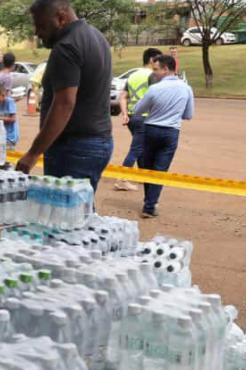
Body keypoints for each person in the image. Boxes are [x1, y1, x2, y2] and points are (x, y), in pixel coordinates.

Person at [15, 0, 114, 194]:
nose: (37, 32)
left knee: (63, 215)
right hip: (99, 141)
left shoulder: (65, 47)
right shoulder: (97, 37)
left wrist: (33, 154)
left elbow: (64, 104)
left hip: (73, 148)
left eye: (41, 25)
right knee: (79, 212)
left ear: (61, 18)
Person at [133, 54, 194, 218]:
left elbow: (138, 110)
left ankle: (149, 202)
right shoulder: (186, 88)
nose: (154, 73)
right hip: (171, 132)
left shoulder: (154, 89)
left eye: (156, 69)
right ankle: (150, 205)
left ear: (166, 69)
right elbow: (188, 115)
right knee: (160, 170)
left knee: (147, 168)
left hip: (151, 129)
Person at [115, 47, 161, 192]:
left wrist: (125, 114)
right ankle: (122, 179)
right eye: (158, 60)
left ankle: (142, 175)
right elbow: (157, 97)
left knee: (140, 146)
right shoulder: (153, 76)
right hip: (145, 117)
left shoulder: (133, 75)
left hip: (132, 117)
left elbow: (123, 96)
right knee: (137, 148)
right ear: (152, 60)